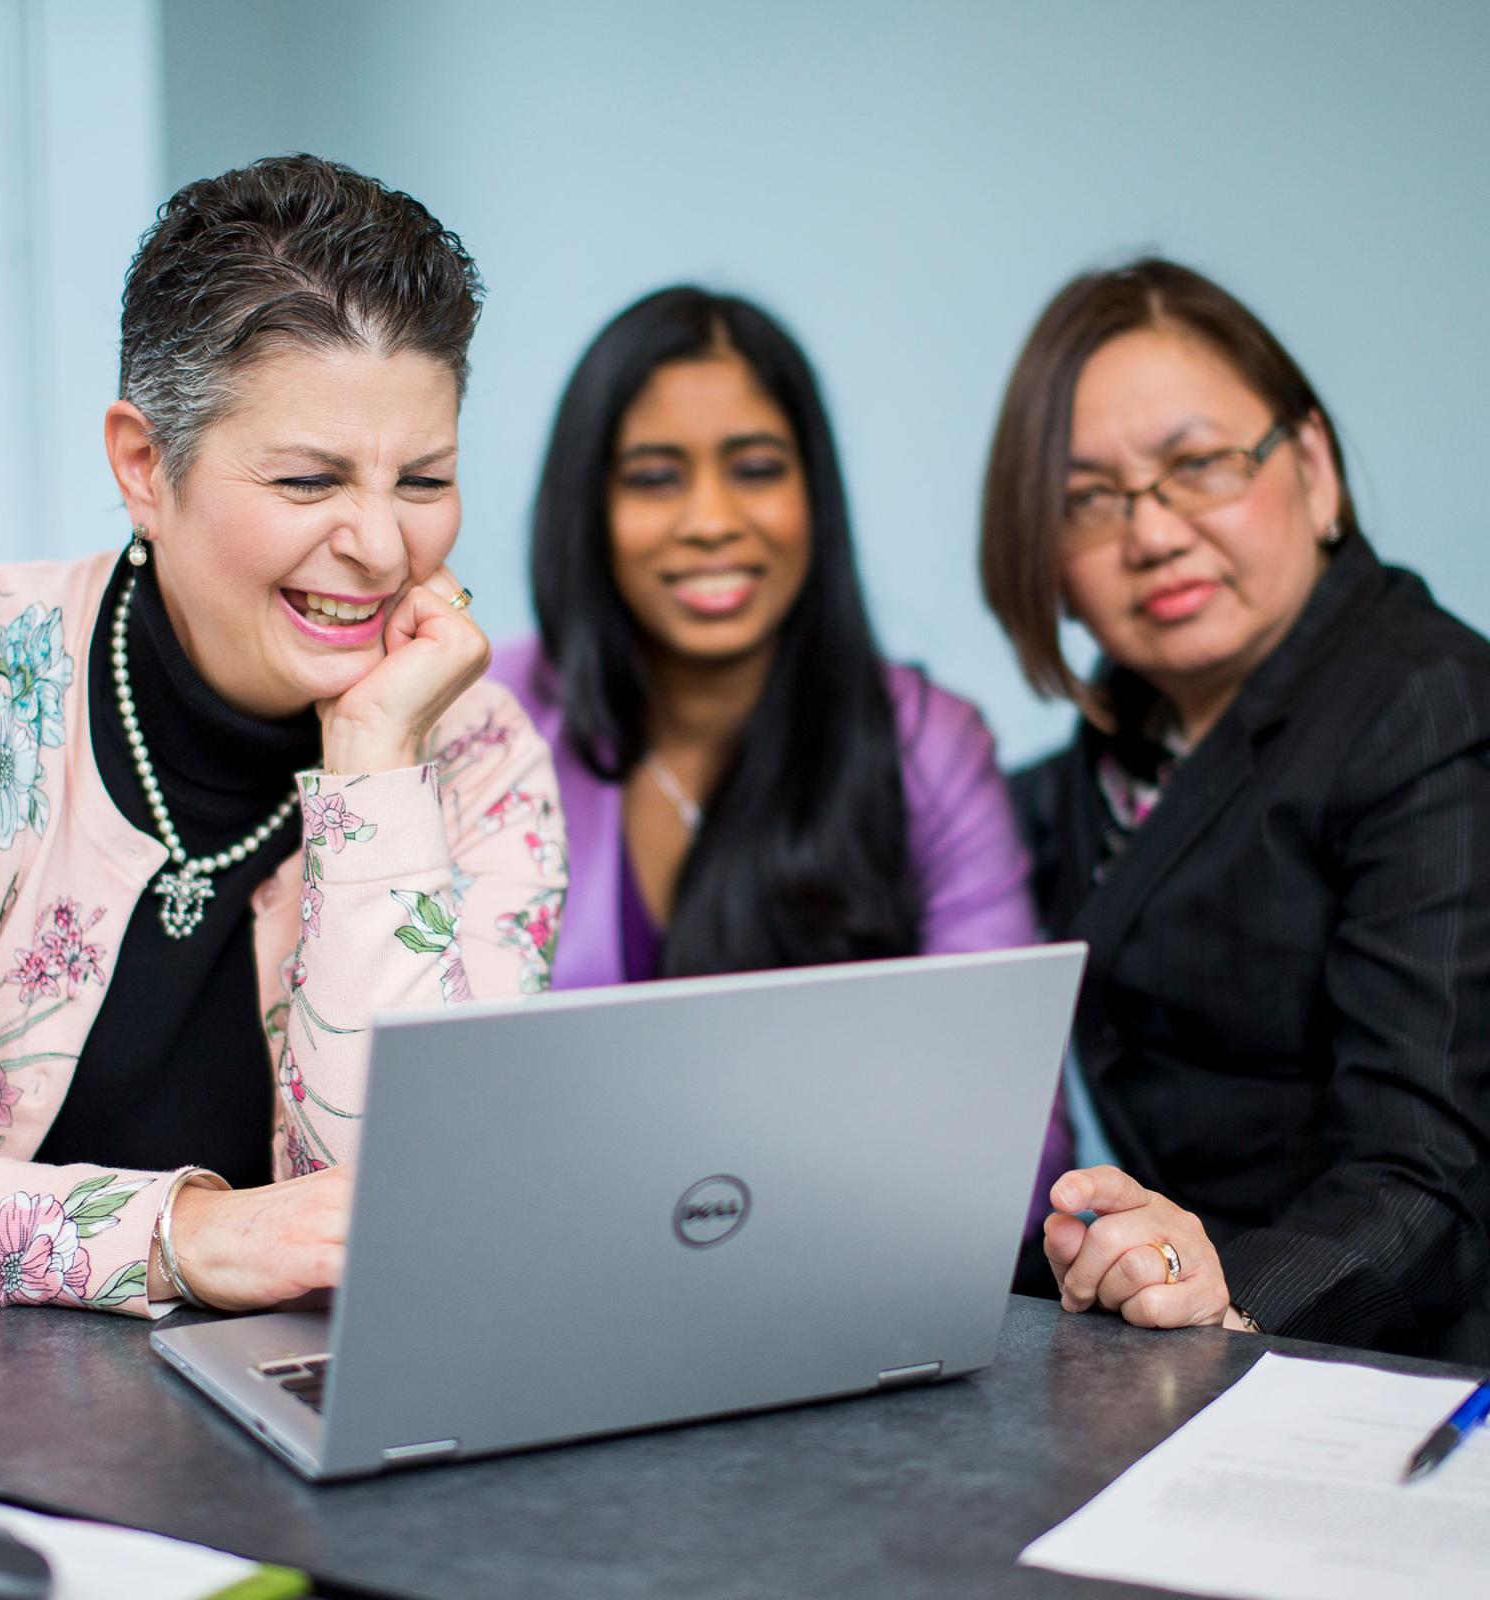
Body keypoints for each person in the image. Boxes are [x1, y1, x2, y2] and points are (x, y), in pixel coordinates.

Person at [0, 156, 565, 1329]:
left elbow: (410, 1217)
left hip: (297, 1430)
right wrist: (185, 1236)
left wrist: (372, 761)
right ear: (145, 465)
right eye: (309, 479)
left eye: (425, 479)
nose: (379, 544)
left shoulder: (482, 753)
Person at [984, 257, 1490, 1358]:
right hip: (1184, 1344)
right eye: (1087, 500)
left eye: (1199, 465)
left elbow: (1428, 1172)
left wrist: (1229, 1285)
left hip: (1399, 1365)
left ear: (1313, 469)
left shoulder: (1427, 706)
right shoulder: (1115, 745)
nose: (1152, 533)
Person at [491, 286, 1070, 1243]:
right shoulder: (488, 721)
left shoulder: (930, 745)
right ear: (586, 506)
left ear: (816, 494)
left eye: (755, 468)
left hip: (842, 1279)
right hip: (535, 1267)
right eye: (654, 477)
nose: (713, 520)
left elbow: (1021, 1147)